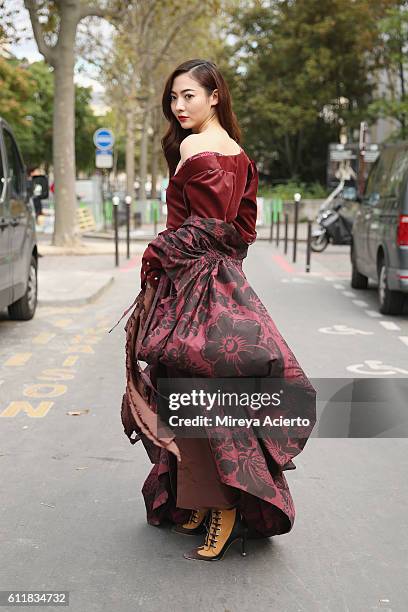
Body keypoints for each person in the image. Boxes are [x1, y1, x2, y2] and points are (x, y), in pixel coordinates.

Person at [119, 59, 316, 562]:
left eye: (188, 96)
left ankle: (218, 507)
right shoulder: (240, 155)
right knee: (215, 393)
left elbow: (197, 229)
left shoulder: (193, 146)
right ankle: (212, 502)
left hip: (192, 285)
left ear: (214, 96)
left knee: (190, 390)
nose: (179, 106)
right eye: (173, 98)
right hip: (226, 282)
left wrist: (157, 253)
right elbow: (241, 233)